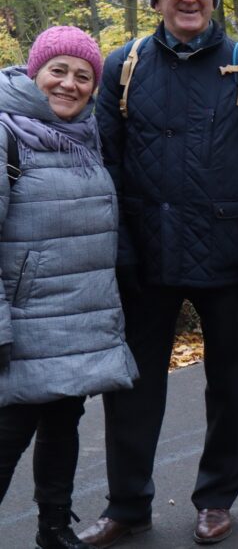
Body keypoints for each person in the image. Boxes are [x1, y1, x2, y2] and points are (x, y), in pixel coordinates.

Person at [80, 0, 238, 547]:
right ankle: (127, 504)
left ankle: (216, 497)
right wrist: (119, 250)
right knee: (132, 387)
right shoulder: (124, 66)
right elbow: (106, 171)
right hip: (144, 257)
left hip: (224, 256)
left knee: (228, 383)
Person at [0, 27, 138, 549]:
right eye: (58, 70)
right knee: (9, 433)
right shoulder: (7, 131)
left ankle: (54, 528)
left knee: (63, 424)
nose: (69, 84)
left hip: (78, 317)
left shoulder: (89, 135)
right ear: (34, 72)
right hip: (24, 321)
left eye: (83, 76)